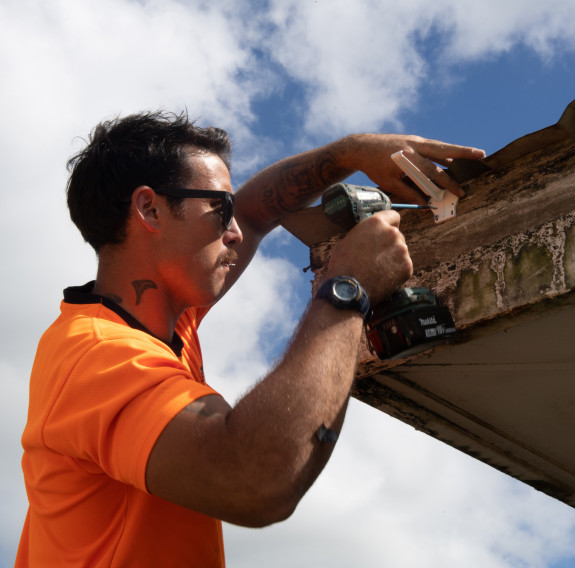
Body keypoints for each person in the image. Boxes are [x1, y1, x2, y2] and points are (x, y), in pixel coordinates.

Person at [17, 110, 485, 567]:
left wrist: (353, 152)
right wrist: (348, 288)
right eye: (220, 209)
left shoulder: (160, 323)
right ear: (150, 209)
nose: (237, 231)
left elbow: (260, 209)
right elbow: (254, 479)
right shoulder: (97, 354)